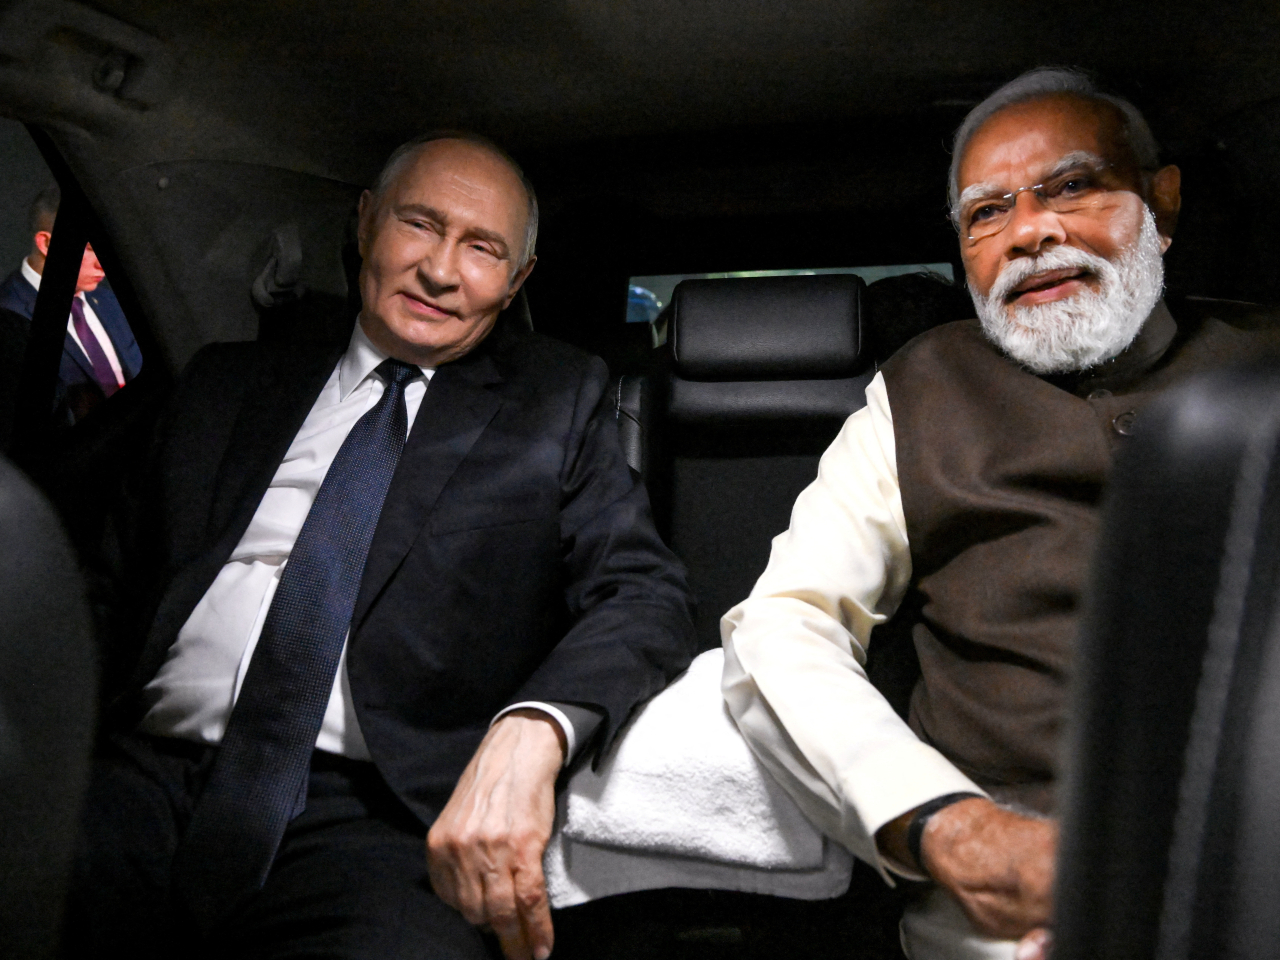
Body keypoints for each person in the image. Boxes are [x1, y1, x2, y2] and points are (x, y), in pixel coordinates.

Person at [70, 132, 696, 960]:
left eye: (482, 248)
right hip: (137, 777)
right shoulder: (225, 383)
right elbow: (101, 588)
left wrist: (532, 730)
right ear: (366, 224)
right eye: (420, 225)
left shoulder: (556, 403)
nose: (441, 270)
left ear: (517, 282)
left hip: (379, 816)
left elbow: (643, 594)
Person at [721, 67, 1280, 960]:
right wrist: (952, 830)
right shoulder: (919, 392)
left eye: (1072, 186)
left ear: (1163, 206)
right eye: (987, 213)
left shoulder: (1264, 357)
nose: (1030, 231)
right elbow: (784, 624)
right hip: (1006, 910)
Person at [0, 185, 143, 426]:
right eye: (89, 248)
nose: (102, 264)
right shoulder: (9, 320)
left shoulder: (109, 301)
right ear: (46, 244)